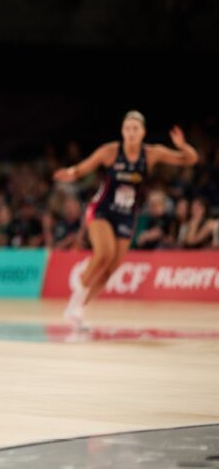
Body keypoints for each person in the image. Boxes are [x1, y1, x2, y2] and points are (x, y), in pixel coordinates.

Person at [54, 113, 198, 327]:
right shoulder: (110, 152)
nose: (131, 133)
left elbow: (191, 159)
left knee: (110, 270)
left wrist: (183, 146)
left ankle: (78, 310)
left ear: (143, 133)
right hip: (101, 210)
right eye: (127, 129)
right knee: (105, 253)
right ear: (122, 132)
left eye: (135, 129)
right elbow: (83, 168)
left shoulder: (151, 154)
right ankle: (72, 305)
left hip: (127, 215)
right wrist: (71, 172)